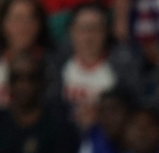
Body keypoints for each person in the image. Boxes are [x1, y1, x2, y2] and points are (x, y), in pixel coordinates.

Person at [52, 3, 141, 133]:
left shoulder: (122, 68)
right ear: (71, 32)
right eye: (82, 29)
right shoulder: (57, 66)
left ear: (106, 32)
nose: (88, 37)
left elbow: (133, 109)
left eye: (95, 29)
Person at [0, 0, 52, 110]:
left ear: (39, 25)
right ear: (3, 24)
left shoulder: (52, 64)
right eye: (17, 19)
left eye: (30, 19)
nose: (23, 27)